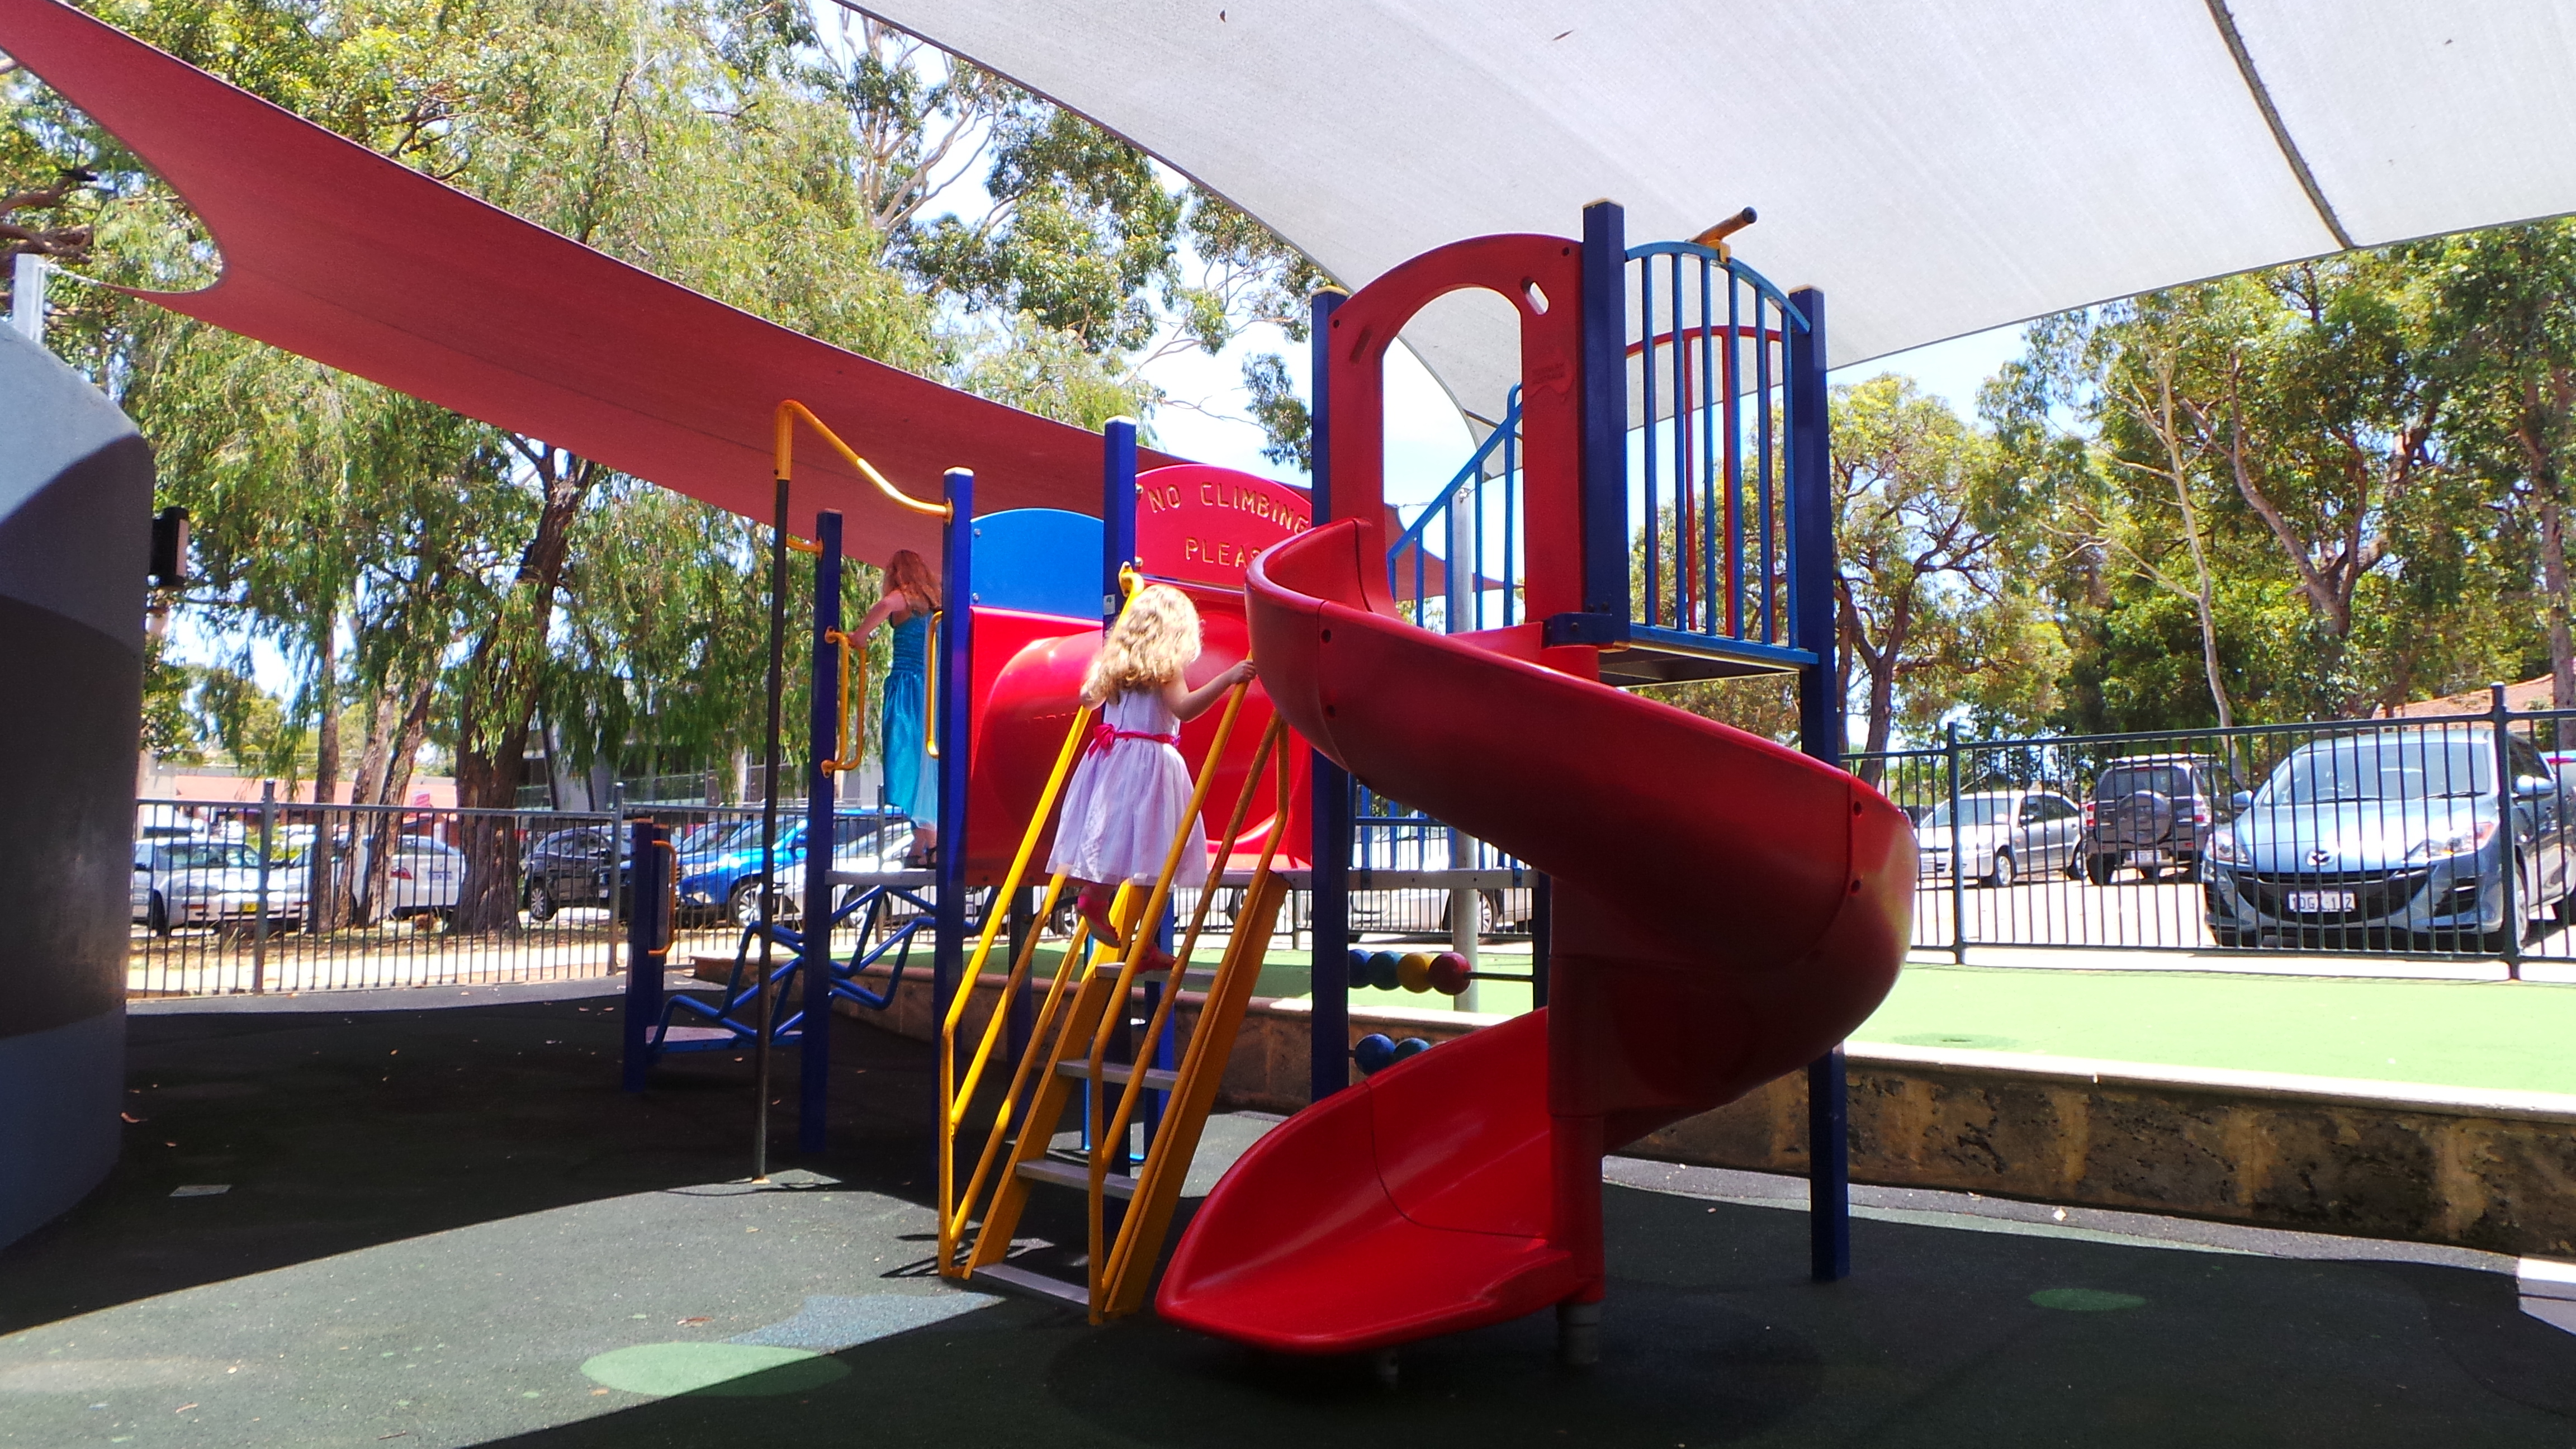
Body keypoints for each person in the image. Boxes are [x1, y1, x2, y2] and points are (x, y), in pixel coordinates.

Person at [1049, 584, 1255, 949]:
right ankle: (1122, 925)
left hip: (1111, 756)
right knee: (1155, 850)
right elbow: (1185, 709)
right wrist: (1228, 678)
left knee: (1117, 836)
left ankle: (1111, 912)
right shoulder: (1166, 669)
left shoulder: (1113, 666)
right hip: (1151, 758)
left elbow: (1086, 698)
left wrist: (1102, 671)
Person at [855, 548, 941, 866]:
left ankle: (927, 842)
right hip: (934, 688)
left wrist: (860, 636)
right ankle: (924, 843)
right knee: (927, 762)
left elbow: (884, 605)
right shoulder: (936, 602)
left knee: (907, 758)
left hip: (908, 686)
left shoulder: (901, 599)